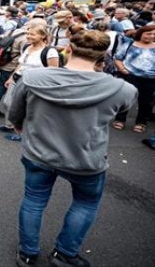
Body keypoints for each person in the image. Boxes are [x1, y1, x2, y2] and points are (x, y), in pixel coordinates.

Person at [8, 30, 137, 267]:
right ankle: (65, 254)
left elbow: (15, 111)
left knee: (34, 200)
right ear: (104, 56)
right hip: (86, 158)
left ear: (68, 49)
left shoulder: (33, 78)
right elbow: (123, 107)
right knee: (85, 203)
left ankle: (28, 253)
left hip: (39, 154)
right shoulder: (122, 89)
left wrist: (18, 125)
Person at [112, 25, 155, 134]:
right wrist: (122, 69)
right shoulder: (129, 44)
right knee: (126, 98)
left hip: (150, 79)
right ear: (141, 33)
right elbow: (118, 58)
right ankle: (120, 119)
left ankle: (141, 123)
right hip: (130, 76)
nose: (151, 36)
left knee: (146, 102)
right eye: (148, 33)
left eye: (154, 34)